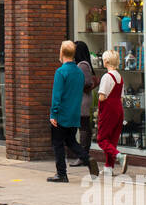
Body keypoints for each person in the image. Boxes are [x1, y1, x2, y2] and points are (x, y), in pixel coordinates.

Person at [48, 40, 90, 182]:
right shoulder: (79, 72)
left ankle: (61, 174)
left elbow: (57, 95)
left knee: (58, 143)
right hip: (74, 114)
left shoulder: (61, 72)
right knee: (71, 141)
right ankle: (88, 159)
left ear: (62, 53)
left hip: (61, 114)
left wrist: (53, 114)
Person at [97, 49, 129, 176]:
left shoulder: (106, 77)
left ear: (106, 61)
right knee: (112, 140)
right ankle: (108, 167)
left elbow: (102, 97)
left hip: (108, 111)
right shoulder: (120, 78)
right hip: (118, 110)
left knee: (102, 139)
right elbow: (121, 97)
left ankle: (119, 156)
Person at [70, 41, 96, 167]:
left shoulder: (82, 65)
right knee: (83, 127)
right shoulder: (80, 64)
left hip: (82, 100)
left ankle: (83, 156)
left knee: (84, 128)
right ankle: (83, 155)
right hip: (81, 99)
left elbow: (86, 83)